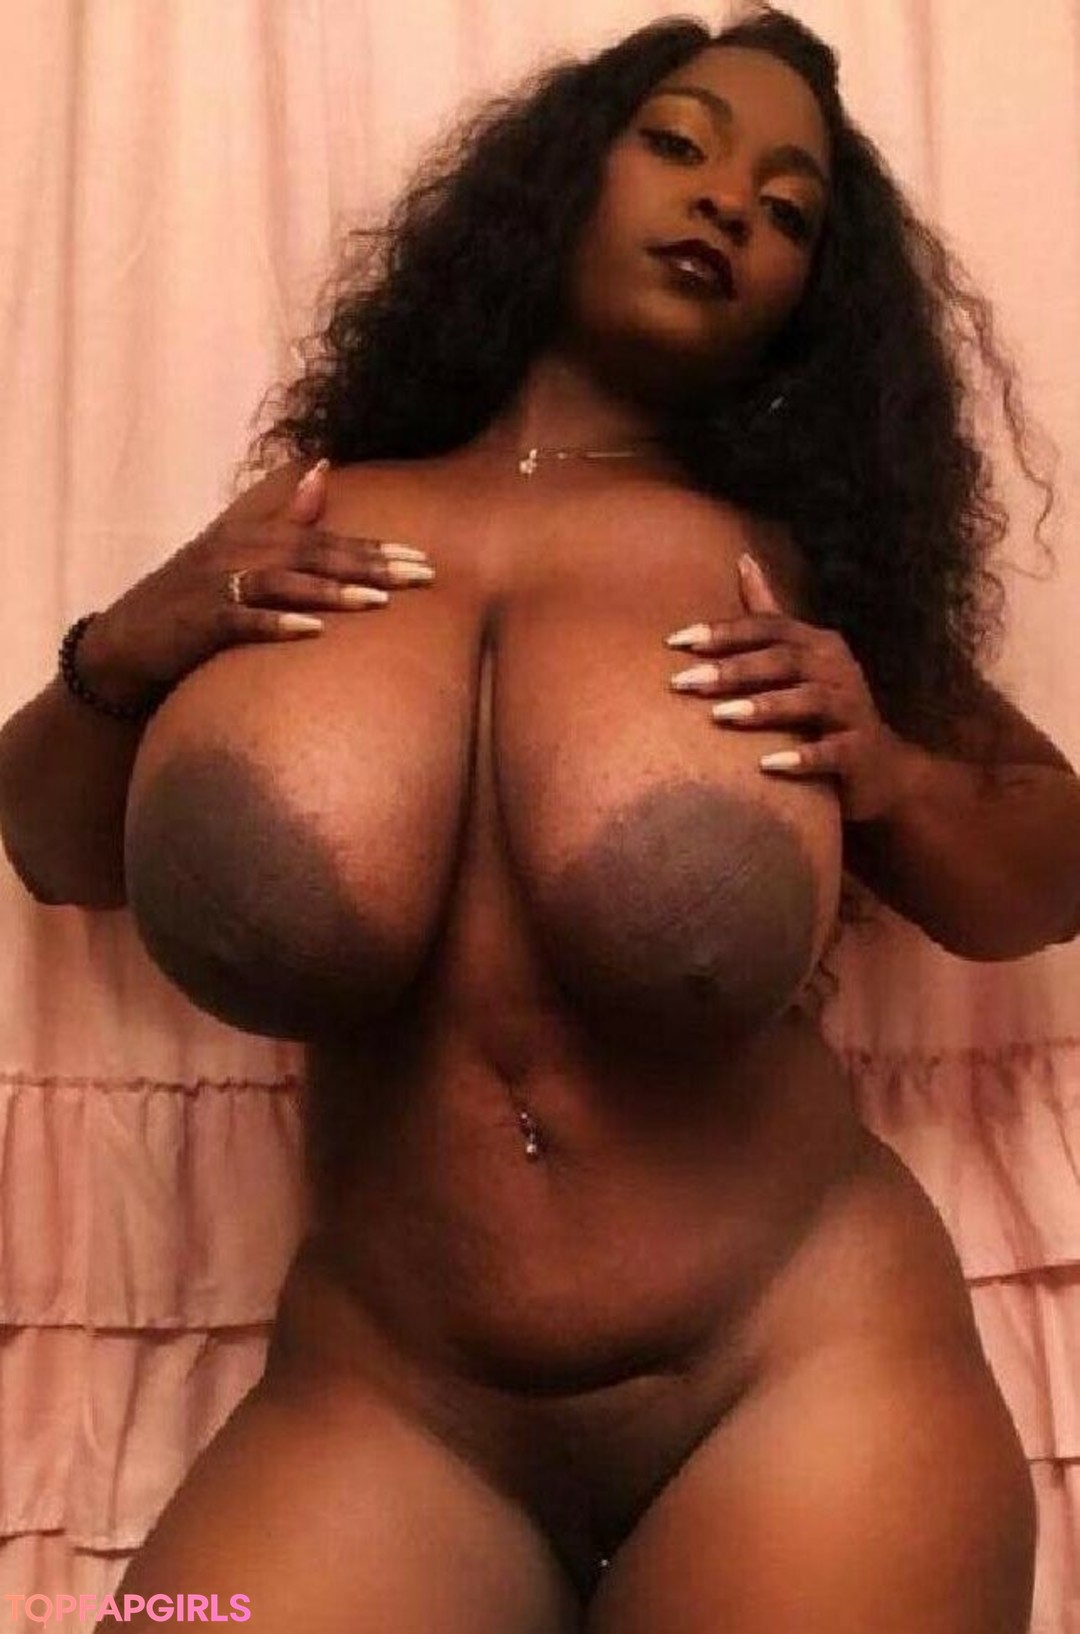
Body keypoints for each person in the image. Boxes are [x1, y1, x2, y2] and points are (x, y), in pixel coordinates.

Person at [1, 6, 1076, 1629]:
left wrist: (896, 775)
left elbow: (1044, 873)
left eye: (791, 212)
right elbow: (51, 845)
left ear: (812, 303)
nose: (730, 203)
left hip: (802, 1371)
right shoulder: (308, 514)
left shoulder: (795, 561)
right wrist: (116, 652)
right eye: (682, 144)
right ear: (561, 178)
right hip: (384, 1406)